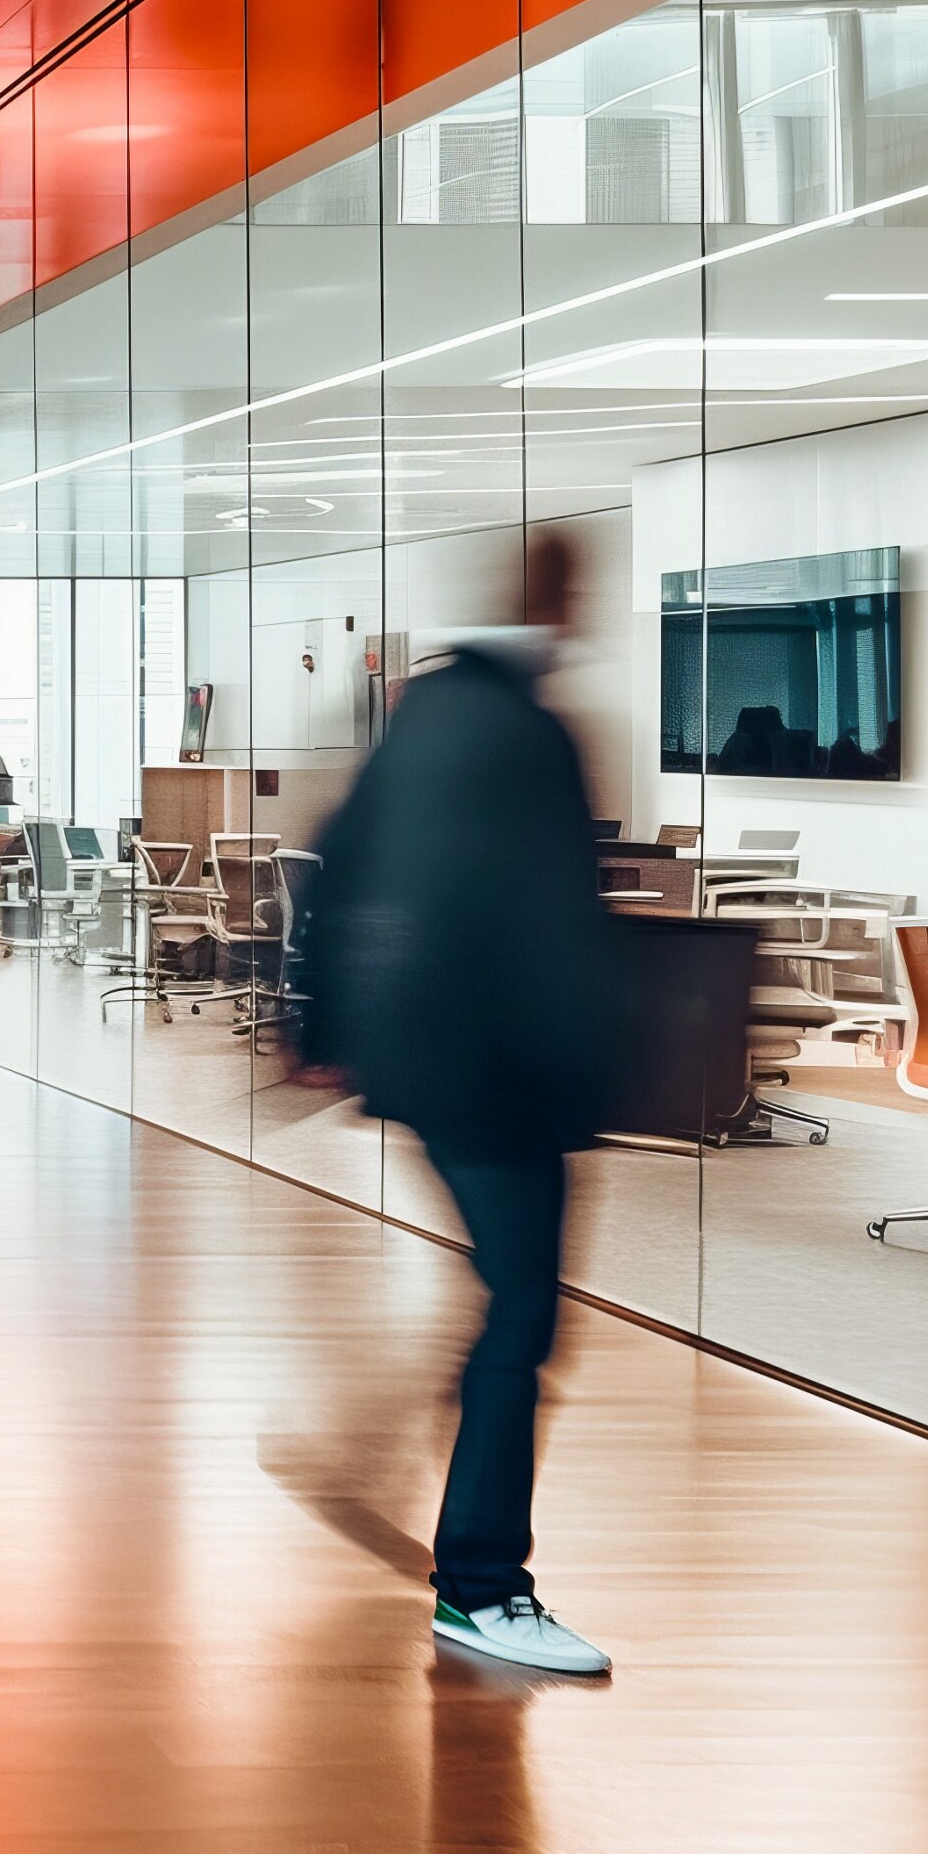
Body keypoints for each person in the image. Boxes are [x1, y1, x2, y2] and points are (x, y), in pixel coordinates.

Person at [295, 527, 621, 1679]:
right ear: (558, 603)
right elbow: (542, 925)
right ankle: (481, 1583)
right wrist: (587, 1079)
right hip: (495, 1071)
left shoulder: (425, 710)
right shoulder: (531, 731)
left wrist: (323, 1028)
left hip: (425, 1062)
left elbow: (334, 858)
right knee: (522, 1311)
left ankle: (447, 1484)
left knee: (504, 1302)